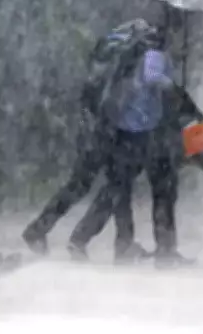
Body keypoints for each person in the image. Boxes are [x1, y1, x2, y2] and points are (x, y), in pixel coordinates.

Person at [21, 21, 155, 259]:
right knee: (116, 187)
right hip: (111, 132)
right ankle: (87, 240)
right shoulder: (129, 56)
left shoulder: (108, 52)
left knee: (90, 186)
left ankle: (41, 229)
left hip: (95, 130)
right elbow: (122, 97)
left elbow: (91, 94)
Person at [66, 26, 193, 267]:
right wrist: (174, 87)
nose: (183, 47)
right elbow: (153, 76)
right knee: (152, 190)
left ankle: (95, 240)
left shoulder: (151, 52)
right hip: (138, 133)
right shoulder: (156, 54)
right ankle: (162, 251)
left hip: (135, 131)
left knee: (121, 190)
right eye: (180, 41)